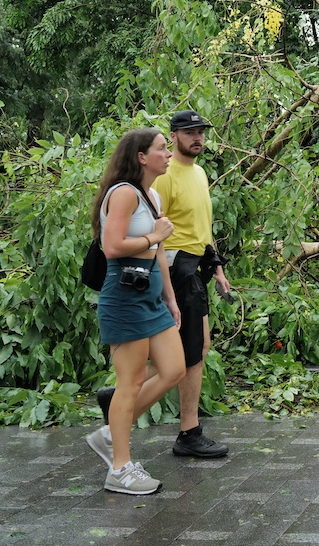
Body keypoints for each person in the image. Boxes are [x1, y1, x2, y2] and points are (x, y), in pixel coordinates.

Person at [99, 110, 231, 458]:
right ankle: (185, 431)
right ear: (173, 137)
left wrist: (215, 265)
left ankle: (118, 405)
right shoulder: (158, 181)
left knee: (185, 355)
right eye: (189, 132)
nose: (196, 137)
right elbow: (152, 236)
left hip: (193, 268)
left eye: (201, 131)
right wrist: (168, 279)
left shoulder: (199, 173)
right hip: (169, 271)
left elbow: (198, 227)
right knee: (190, 352)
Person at [86, 128, 186, 495]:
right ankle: (120, 469)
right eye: (162, 149)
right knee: (129, 383)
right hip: (124, 296)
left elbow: (159, 256)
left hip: (151, 297)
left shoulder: (152, 195)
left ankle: (111, 433)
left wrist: (171, 299)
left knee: (174, 367)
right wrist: (153, 236)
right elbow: (113, 247)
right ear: (141, 156)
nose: (169, 154)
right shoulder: (124, 193)